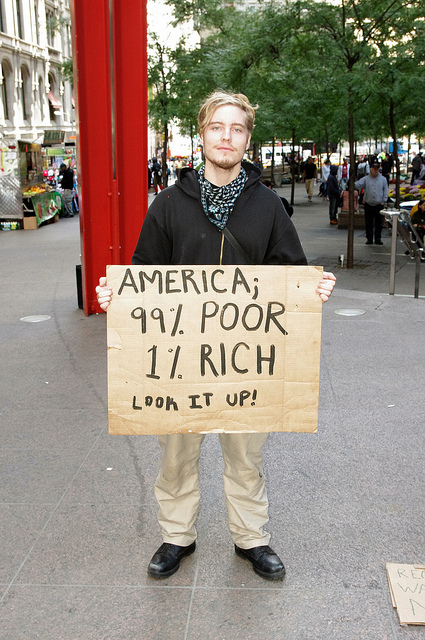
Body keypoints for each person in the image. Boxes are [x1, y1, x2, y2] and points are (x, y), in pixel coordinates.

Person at [96, 91, 336, 582]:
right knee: (176, 455)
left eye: (237, 129)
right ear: (202, 133)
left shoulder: (268, 205)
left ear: (248, 139)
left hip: (247, 364)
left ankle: (252, 538)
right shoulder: (167, 204)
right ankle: (176, 535)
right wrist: (115, 296)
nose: (227, 137)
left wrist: (312, 289)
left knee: (246, 456)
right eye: (217, 127)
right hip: (179, 363)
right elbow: (144, 274)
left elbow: (287, 274)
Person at [355, 160, 389, 245]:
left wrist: (384, 200)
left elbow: (386, 190)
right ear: (371, 169)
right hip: (369, 204)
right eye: (374, 169)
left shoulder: (383, 179)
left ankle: (378, 238)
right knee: (368, 223)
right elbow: (358, 184)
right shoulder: (366, 179)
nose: (375, 170)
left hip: (378, 204)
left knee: (379, 223)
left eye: (377, 169)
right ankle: (369, 238)